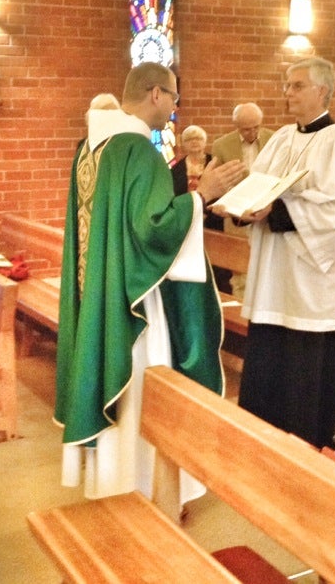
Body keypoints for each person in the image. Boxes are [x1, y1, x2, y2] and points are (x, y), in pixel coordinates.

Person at [54, 62, 244, 500]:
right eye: (174, 98)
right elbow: (153, 228)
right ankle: (137, 486)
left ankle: (110, 482)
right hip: (133, 298)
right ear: (155, 94)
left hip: (101, 290)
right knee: (143, 382)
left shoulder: (91, 147)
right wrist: (202, 196)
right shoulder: (138, 150)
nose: (176, 109)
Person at [227, 57, 335, 449]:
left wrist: (281, 210)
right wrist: (241, 206)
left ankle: (312, 444)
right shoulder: (283, 138)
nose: (287, 92)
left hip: (313, 276)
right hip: (274, 271)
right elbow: (259, 186)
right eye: (287, 85)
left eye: (296, 85)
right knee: (271, 354)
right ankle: (267, 441)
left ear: (321, 90)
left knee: (308, 365)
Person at [211, 102, 275, 297]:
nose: (253, 132)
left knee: (267, 266)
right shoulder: (221, 146)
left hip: (267, 212)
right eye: (247, 129)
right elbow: (218, 183)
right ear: (237, 126)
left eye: (257, 126)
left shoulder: (273, 140)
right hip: (236, 214)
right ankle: (241, 305)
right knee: (240, 270)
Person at [171, 125, 223, 231]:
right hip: (186, 217)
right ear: (183, 144)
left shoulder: (215, 162)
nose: (194, 142)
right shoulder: (176, 169)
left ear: (205, 142)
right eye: (189, 139)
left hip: (213, 215)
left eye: (198, 138)